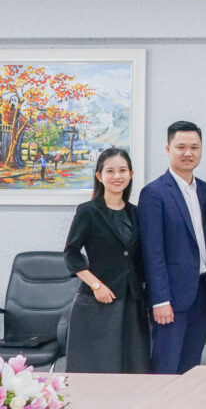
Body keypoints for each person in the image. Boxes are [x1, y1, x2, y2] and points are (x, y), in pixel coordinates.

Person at [138, 121, 206, 374]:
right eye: (181, 147)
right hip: (171, 298)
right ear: (168, 149)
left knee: (191, 368)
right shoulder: (154, 193)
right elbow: (152, 252)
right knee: (166, 367)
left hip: (203, 294)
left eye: (194, 147)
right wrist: (160, 299)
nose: (188, 153)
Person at [63, 147, 150, 373]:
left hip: (132, 302)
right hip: (99, 302)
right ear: (99, 176)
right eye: (110, 171)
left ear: (131, 174)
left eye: (122, 170)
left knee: (133, 368)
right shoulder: (88, 211)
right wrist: (96, 285)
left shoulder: (136, 213)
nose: (117, 176)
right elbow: (71, 253)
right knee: (99, 368)